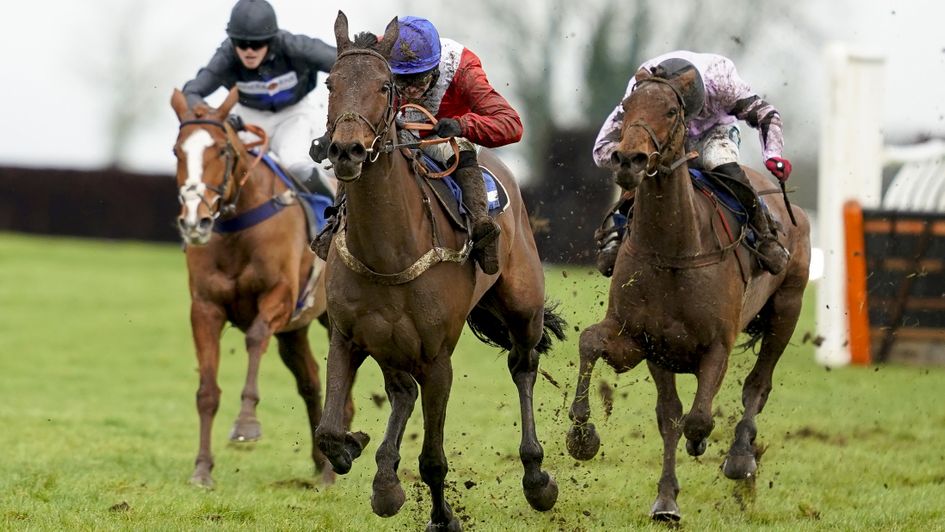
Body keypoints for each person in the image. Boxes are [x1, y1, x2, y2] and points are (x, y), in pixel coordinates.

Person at [313, 16, 523, 275]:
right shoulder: (379, 53)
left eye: (419, 80)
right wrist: (329, 134)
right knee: (357, 150)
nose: (410, 90)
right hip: (390, 129)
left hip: (440, 133)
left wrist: (462, 125)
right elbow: (351, 96)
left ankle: (481, 226)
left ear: (435, 69)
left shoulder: (464, 69)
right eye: (402, 80)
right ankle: (333, 223)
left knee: (463, 151)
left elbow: (512, 125)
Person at [592, 51, 792, 277]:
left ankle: (765, 233)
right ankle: (616, 236)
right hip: (662, 132)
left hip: (714, 130)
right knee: (637, 166)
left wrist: (772, 155)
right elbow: (601, 148)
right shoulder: (641, 91)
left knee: (720, 162)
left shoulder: (722, 82)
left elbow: (766, 114)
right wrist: (632, 157)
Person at [182, 0, 336, 197]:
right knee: (235, 173)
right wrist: (214, 117)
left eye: (256, 44)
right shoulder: (226, 56)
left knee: (297, 166)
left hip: (294, 114)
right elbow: (191, 92)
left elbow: (346, 60)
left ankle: (328, 219)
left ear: (272, 39)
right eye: (240, 43)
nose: (249, 51)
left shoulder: (295, 47)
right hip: (248, 119)